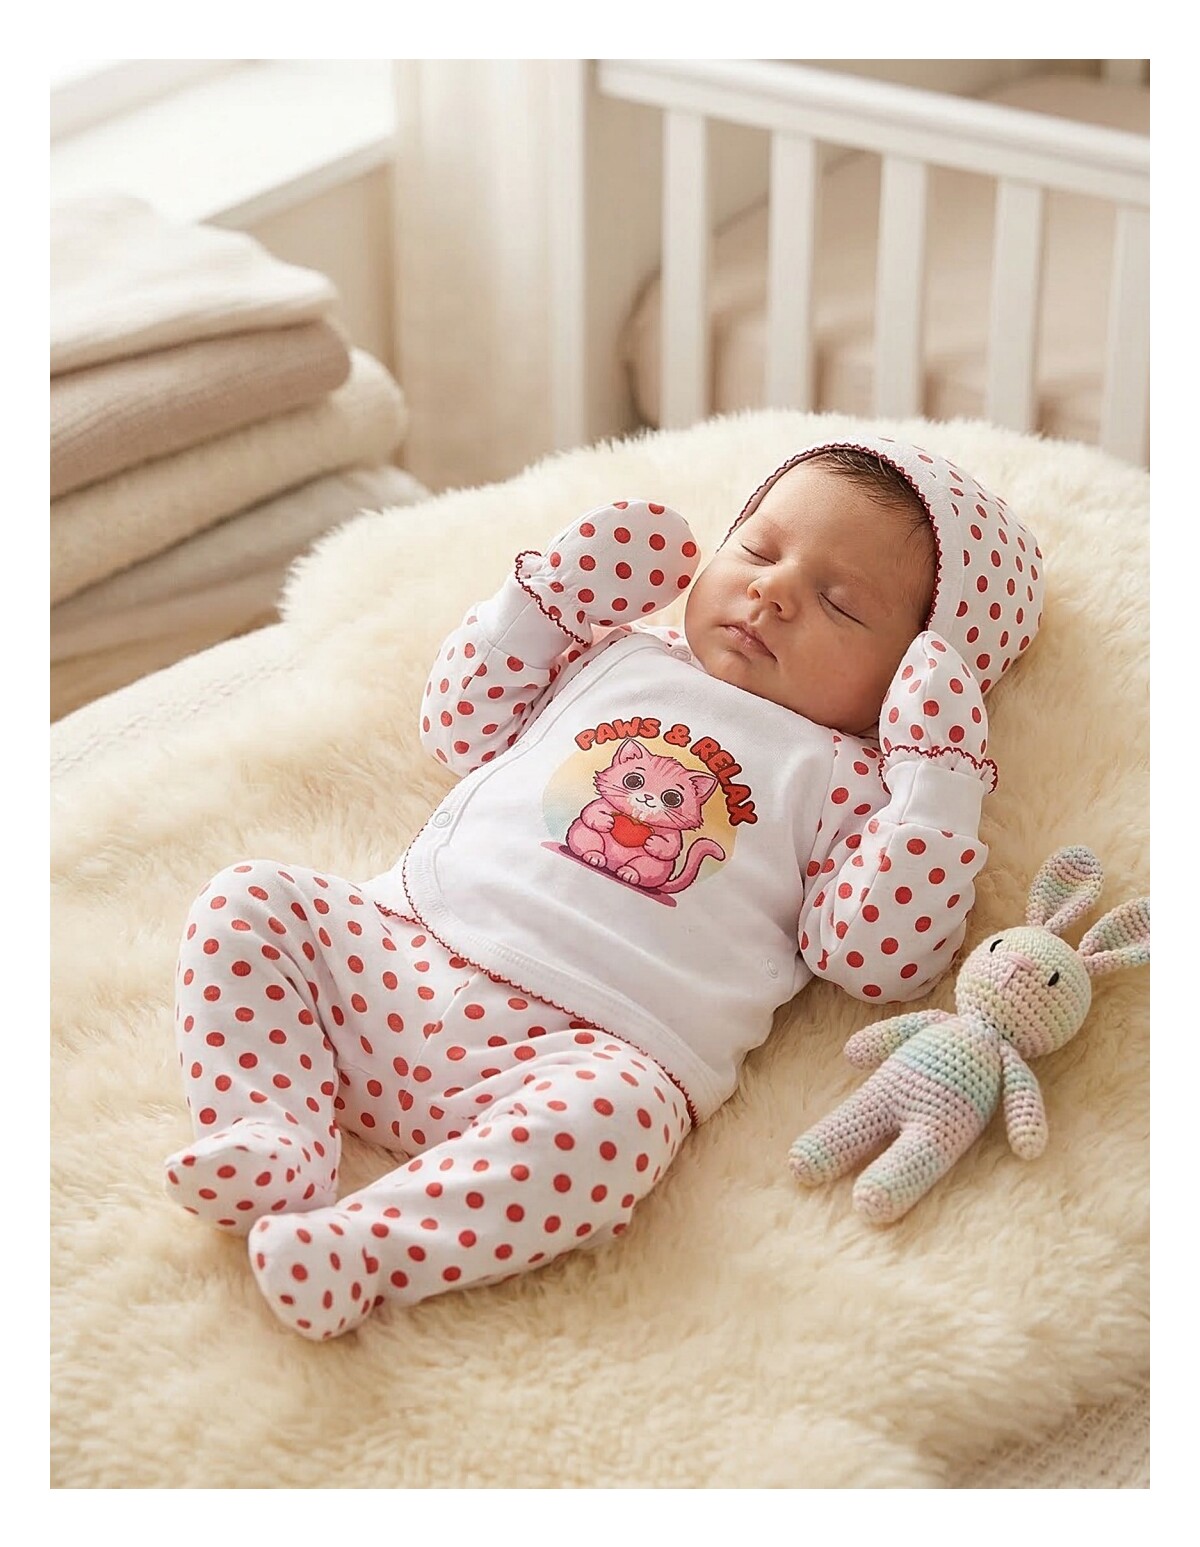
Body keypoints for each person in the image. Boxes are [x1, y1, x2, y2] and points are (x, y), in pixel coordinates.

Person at [162, 433, 1044, 1340]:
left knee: (620, 1125)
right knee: (250, 900)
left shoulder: (853, 781)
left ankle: (367, 1247)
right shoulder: (618, 655)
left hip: (587, 1052)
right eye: (757, 548)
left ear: (913, 680)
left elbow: (876, 957)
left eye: (839, 603)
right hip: (402, 954)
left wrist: (937, 781)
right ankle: (276, 1133)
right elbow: (461, 727)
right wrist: (546, 600)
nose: (774, 591)